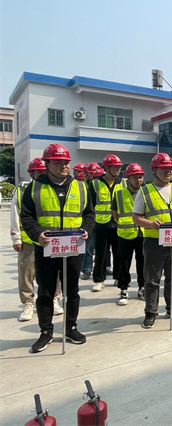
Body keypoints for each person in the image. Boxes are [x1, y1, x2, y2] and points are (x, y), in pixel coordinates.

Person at [20, 143, 94, 353]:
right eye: (58, 162)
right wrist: (37, 234)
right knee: (46, 292)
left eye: (66, 162)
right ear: (47, 163)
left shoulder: (81, 187)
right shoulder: (34, 188)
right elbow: (26, 216)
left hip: (73, 247)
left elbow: (89, 213)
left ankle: (71, 328)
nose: (64, 166)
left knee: (72, 291)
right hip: (47, 248)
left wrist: (86, 229)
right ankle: (46, 332)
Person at [133, 153, 172, 328]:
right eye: (164, 168)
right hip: (154, 242)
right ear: (154, 170)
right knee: (152, 280)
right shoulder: (145, 191)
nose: (168, 171)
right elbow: (136, 217)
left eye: (170, 168)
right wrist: (151, 224)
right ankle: (151, 312)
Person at [10, 158, 63, 322]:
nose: (42, 175)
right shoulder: (22, 189)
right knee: (26, 273)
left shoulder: (51, 188)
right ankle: (27, 302)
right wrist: (16, 238)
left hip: (50, 240)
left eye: (44, 172)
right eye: (38, 172)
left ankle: (54, 298)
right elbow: (15, 214)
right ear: (31, 173)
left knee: (54, 272)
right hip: (28, 240)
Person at [112, 163, 145, 306]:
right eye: (135, 177)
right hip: (125, 234)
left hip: (143, 233)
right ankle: (123, 289)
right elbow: (115, 214)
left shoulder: (146, 193)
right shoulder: (119, 194)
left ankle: (142, 288)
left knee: (142, 263)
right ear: (128, 178)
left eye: (140, 177)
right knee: (124, 264)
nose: (139, 180)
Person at [90, 154, 124, 292]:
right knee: (100, 254)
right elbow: (90, 206)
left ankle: (118, 277)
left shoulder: (123, 183)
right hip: (101, 225)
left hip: (118, 224)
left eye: (119, 167)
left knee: (119, 253)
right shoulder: (95, 184)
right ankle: (99, 280)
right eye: (115, 167)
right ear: (107, 168)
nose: (118, 169)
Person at [80, 162, 100, 280]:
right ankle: (87, 269)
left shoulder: (100, 184)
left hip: (103, 221)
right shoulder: (83, 186)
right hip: (89, 221)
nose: (93, 175)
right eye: (91, 173)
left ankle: (105, 267)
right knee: (88, 247)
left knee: (102, 249)